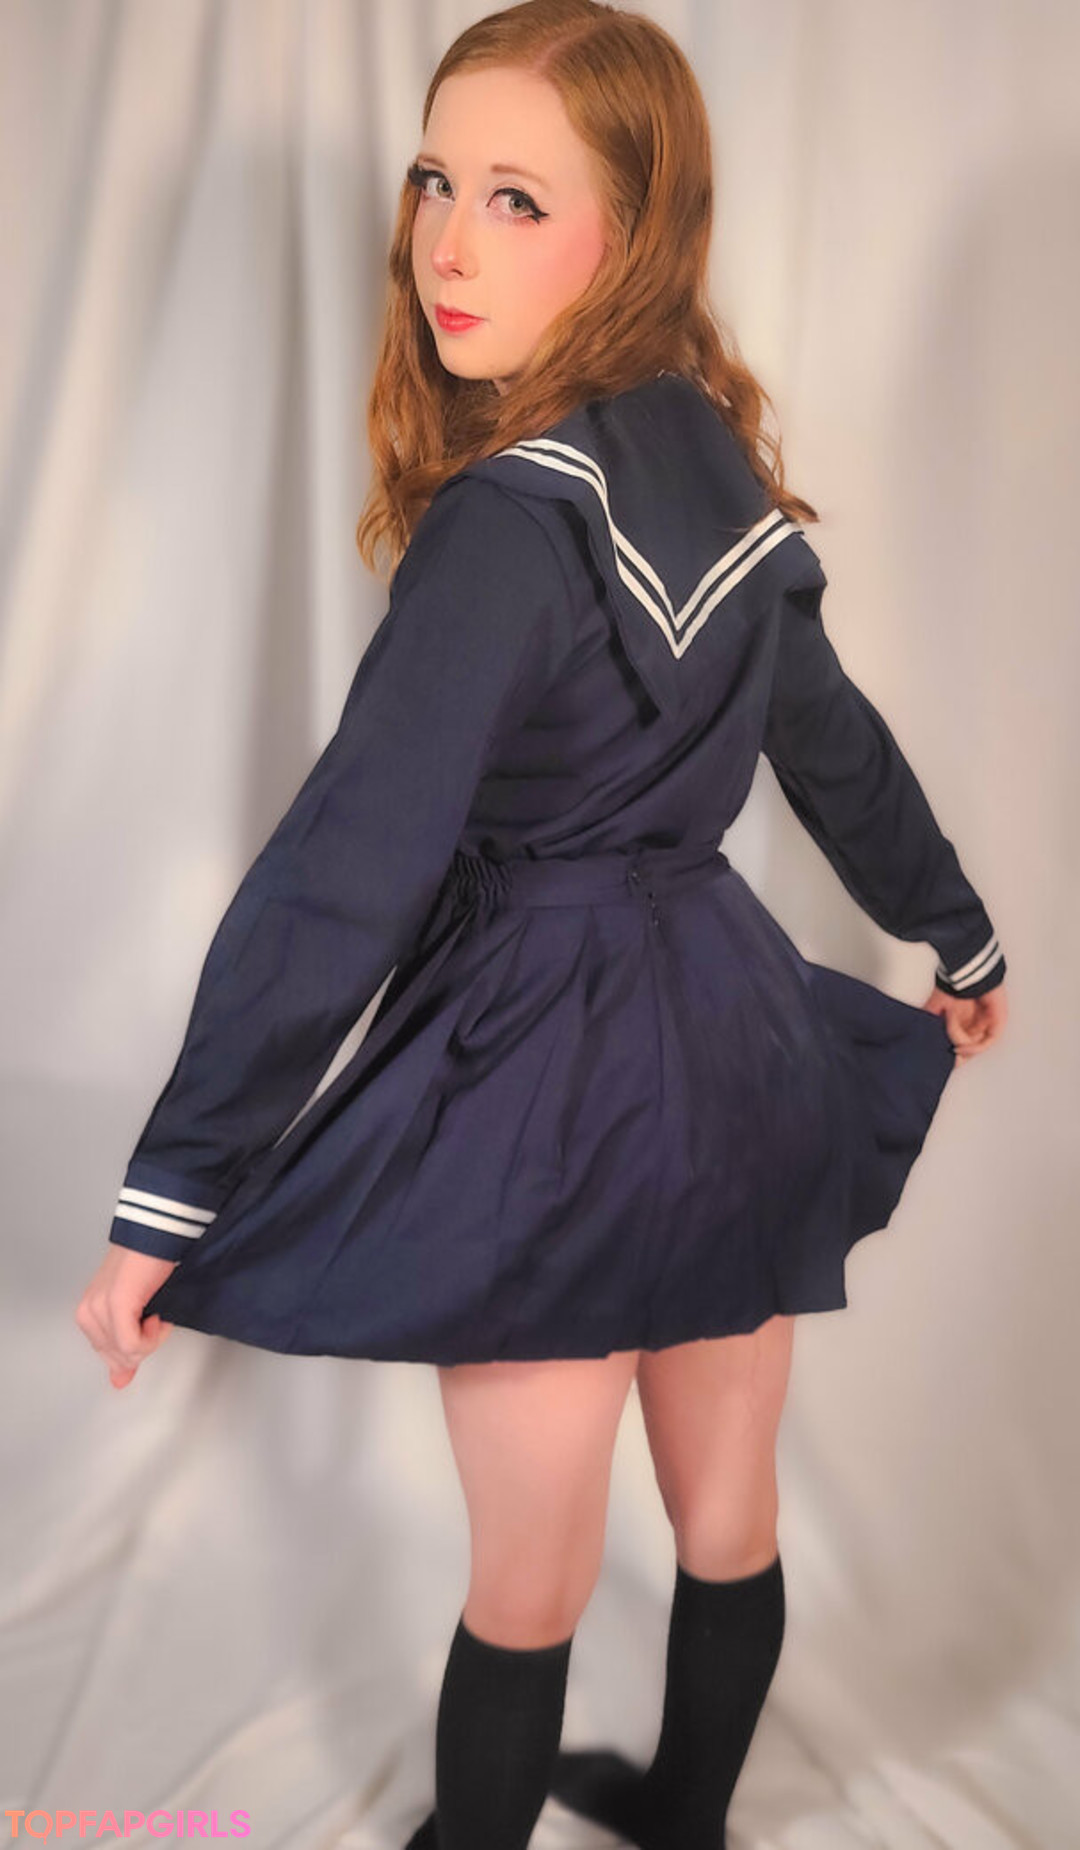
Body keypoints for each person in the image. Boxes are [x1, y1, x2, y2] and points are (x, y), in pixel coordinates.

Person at [75, 3, 1008, 1846]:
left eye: (517, 199)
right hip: (731, 1041)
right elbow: (838, 749)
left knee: (528, 1577)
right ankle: (687, 1821)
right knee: (728, 1514)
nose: (446, 241)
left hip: (544, 1079)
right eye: (437, 181)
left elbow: (347, 872)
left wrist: (173, 1186)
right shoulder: (715, 470)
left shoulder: (504, 526)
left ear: (633, 236)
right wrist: (957, 935)